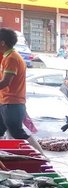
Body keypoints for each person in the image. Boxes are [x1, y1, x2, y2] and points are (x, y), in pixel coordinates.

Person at [0, 28, 46, 156]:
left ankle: (41, 156)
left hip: (12, 103)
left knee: (17, 133)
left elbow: (5, 82)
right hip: (5, 102)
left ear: (2, 43)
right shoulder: (7, 56)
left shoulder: (12, 58)